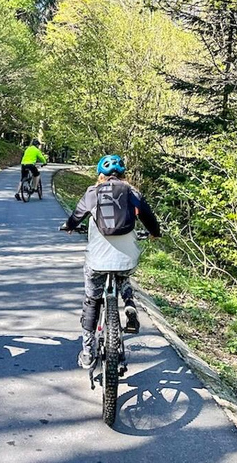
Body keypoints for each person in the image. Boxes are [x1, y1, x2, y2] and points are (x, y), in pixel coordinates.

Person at [60, 154, 161, 369]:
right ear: (124, 175)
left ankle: (87, 352)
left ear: (100, 175)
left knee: (92, 299)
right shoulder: (132, 192)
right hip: (127, 258)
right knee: (124, 274)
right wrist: (154, 233)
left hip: (97, 261)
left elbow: (76, 216)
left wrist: (69, 226)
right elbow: (150, 219)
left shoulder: (92, 193)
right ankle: (129, 304)